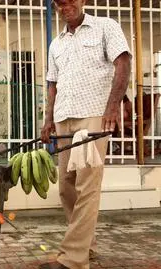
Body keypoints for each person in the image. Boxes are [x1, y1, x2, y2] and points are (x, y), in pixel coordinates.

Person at [40, 0, 131, 268]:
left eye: (70, 1)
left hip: (93, 117)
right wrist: (48, 120)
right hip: (63, 120)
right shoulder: (56, 43)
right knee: (66, 187)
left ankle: (72, 259)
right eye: (59, 3)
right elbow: (52, 85)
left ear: (83, 1)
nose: (65, 6)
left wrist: (112, 108)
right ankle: (85, 247)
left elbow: (123, 65)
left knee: (87, 186)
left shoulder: (106, 27)